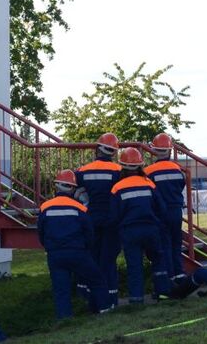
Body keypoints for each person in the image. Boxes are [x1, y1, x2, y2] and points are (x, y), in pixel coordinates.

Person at [37, 169, 112, 319]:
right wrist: (86, 248)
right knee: (96, 280)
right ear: (72, 188)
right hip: (78, 252)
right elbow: (89, 233)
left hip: (55, 254)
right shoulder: (80, 208)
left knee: (61, 289)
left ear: (57, 186)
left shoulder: (45, 207)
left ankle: (64, 319)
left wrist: (49, 247)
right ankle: (105, 311)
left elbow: (41, 232)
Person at [110, 147, 172, 303]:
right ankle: (163, 293)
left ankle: (136, 299)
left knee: (134, 265)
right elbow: (161, 208)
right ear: (140, 166)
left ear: (122, 166)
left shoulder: (117, 187)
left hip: (129, 231)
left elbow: (114, 215)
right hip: (151, 229)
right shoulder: (149, 183)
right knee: (158, 259)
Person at [75, 133, 122, 305]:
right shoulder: (119, 171)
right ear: (114, 152)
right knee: (109, 259)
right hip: (112, 220)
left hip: (90, 219)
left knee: (91, 257)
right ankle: (111, 297)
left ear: (97, 149)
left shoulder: (82, 171)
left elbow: (73, 191)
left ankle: (89, 296)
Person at [144, 133, 186, 279]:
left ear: (154, 150)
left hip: (159, 212)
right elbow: (181, 185)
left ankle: (169, 277)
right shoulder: (177, 169)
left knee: (165, 244)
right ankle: (180, 273)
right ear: (169, 150)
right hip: (176, 211)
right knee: (176, 243)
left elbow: (147, 192)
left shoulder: (148, 171)